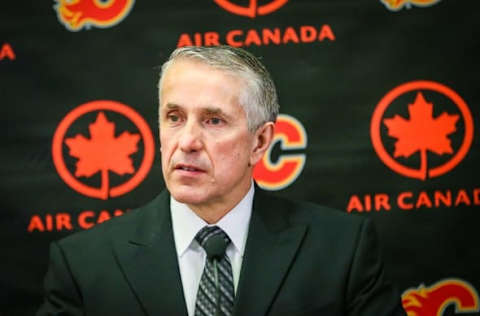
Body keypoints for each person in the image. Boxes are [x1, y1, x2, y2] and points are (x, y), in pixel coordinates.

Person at [37, 46, 406, 316]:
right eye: (175, 117)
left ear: (260, 142)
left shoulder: (343, 251)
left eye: (213, 121)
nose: (187, 142)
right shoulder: (83, 265)